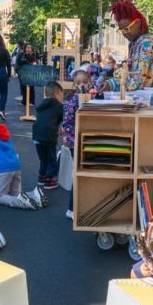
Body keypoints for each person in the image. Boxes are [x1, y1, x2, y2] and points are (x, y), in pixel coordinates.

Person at [0, 110, 47, 210]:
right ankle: (33, 195)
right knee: (15, 193)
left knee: (1, 197)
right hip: (16, 165)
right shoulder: (3, 129)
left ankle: (24, 203)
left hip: (3, 168)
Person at [104, 0, 153, 91]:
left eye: (127, 29)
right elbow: (130, 73)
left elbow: (138, 80)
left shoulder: (146, 43)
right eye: (122, 31)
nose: (125, 33)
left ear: (138, 23)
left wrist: (112, 84)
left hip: (150, 99)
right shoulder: (134, 43)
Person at [62, 70, 92, 219]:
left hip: (86, 141)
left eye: (85, 82)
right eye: (79, 83)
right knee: (78, 174)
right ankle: (71, 208)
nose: (83, 85)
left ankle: (80, 205)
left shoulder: (89, 99)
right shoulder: (72, 102)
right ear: (74, 85)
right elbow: (67, 125)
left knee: (83, 173)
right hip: (76, 142)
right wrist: (79, 134)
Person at [32, 81, 63, 190]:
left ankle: (42, 177)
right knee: (51, 158)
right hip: (49, 136)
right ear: (56, 94)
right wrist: (62, 129)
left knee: (43, 158)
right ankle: (50, 180)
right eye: (60, 95)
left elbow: (46, 120)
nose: (61, 98)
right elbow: (63, 120)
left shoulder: (42, 105)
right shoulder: (59, 106)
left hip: (37, 135)